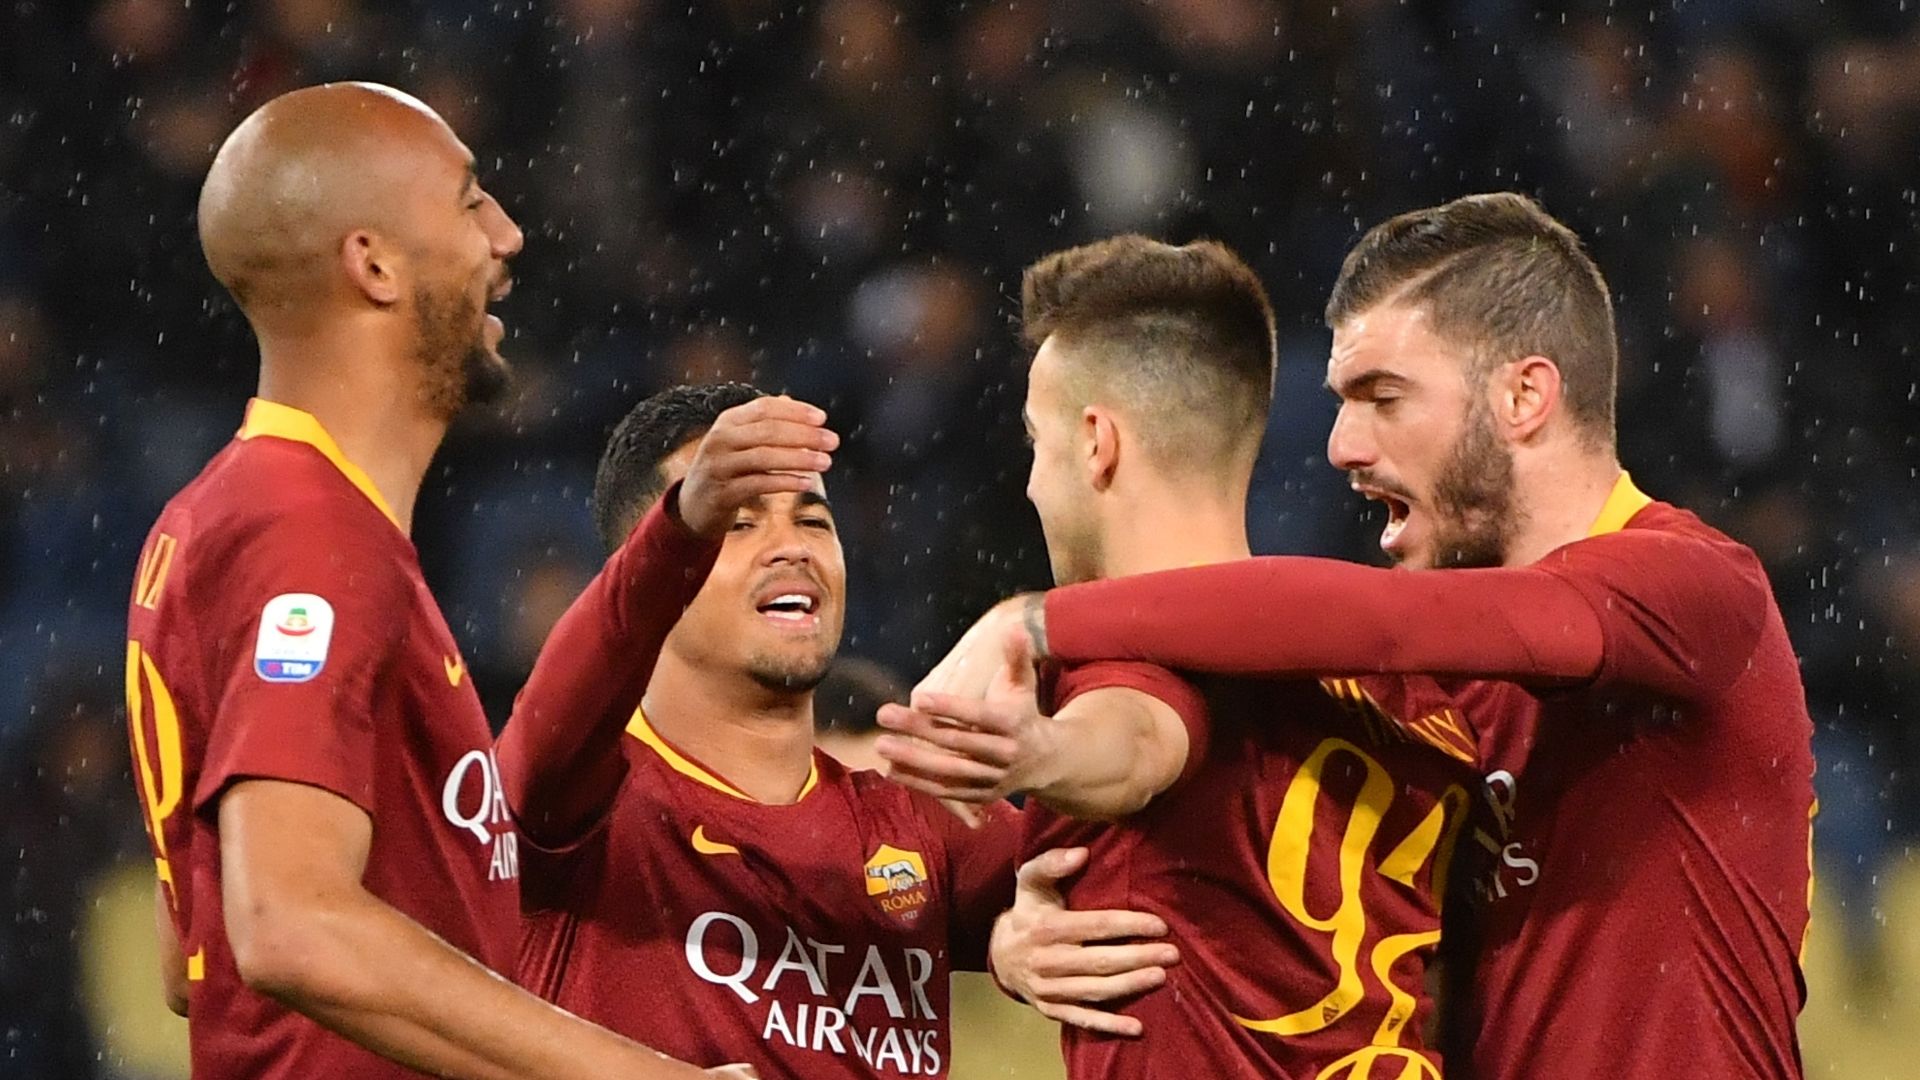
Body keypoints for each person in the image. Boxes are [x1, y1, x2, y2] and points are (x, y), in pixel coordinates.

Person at [926, 194, 1814, 1080]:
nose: (1343, 445)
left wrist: (1038, 621)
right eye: (1342, 404)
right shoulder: (1428, 700)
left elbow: (1396, 624)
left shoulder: (1694, 586)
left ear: (1524, 395)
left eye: (1383, 397)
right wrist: (1022, 930)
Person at [124, 82, 739, 1079]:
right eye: (468, 201)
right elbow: (287, 926)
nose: (510, 233)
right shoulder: (307, 538)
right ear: (371, 264)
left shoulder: (225, 517)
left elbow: (191, 961)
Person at [874, 235, 1498, 1078]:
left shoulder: (1130, 663)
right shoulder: (1409, 692)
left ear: (1098, 443)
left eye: (1035, 442)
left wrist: (1042, 750)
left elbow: (1134, 744)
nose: (1030, 483)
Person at [495, 383, 1025, 1078]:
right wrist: (682, 524)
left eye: (813, 521)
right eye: (737, 523)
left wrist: (1036, 922)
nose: (791, 549)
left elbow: (1144, 885)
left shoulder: (916, 814)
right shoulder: (577, 804)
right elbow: (562, 697)